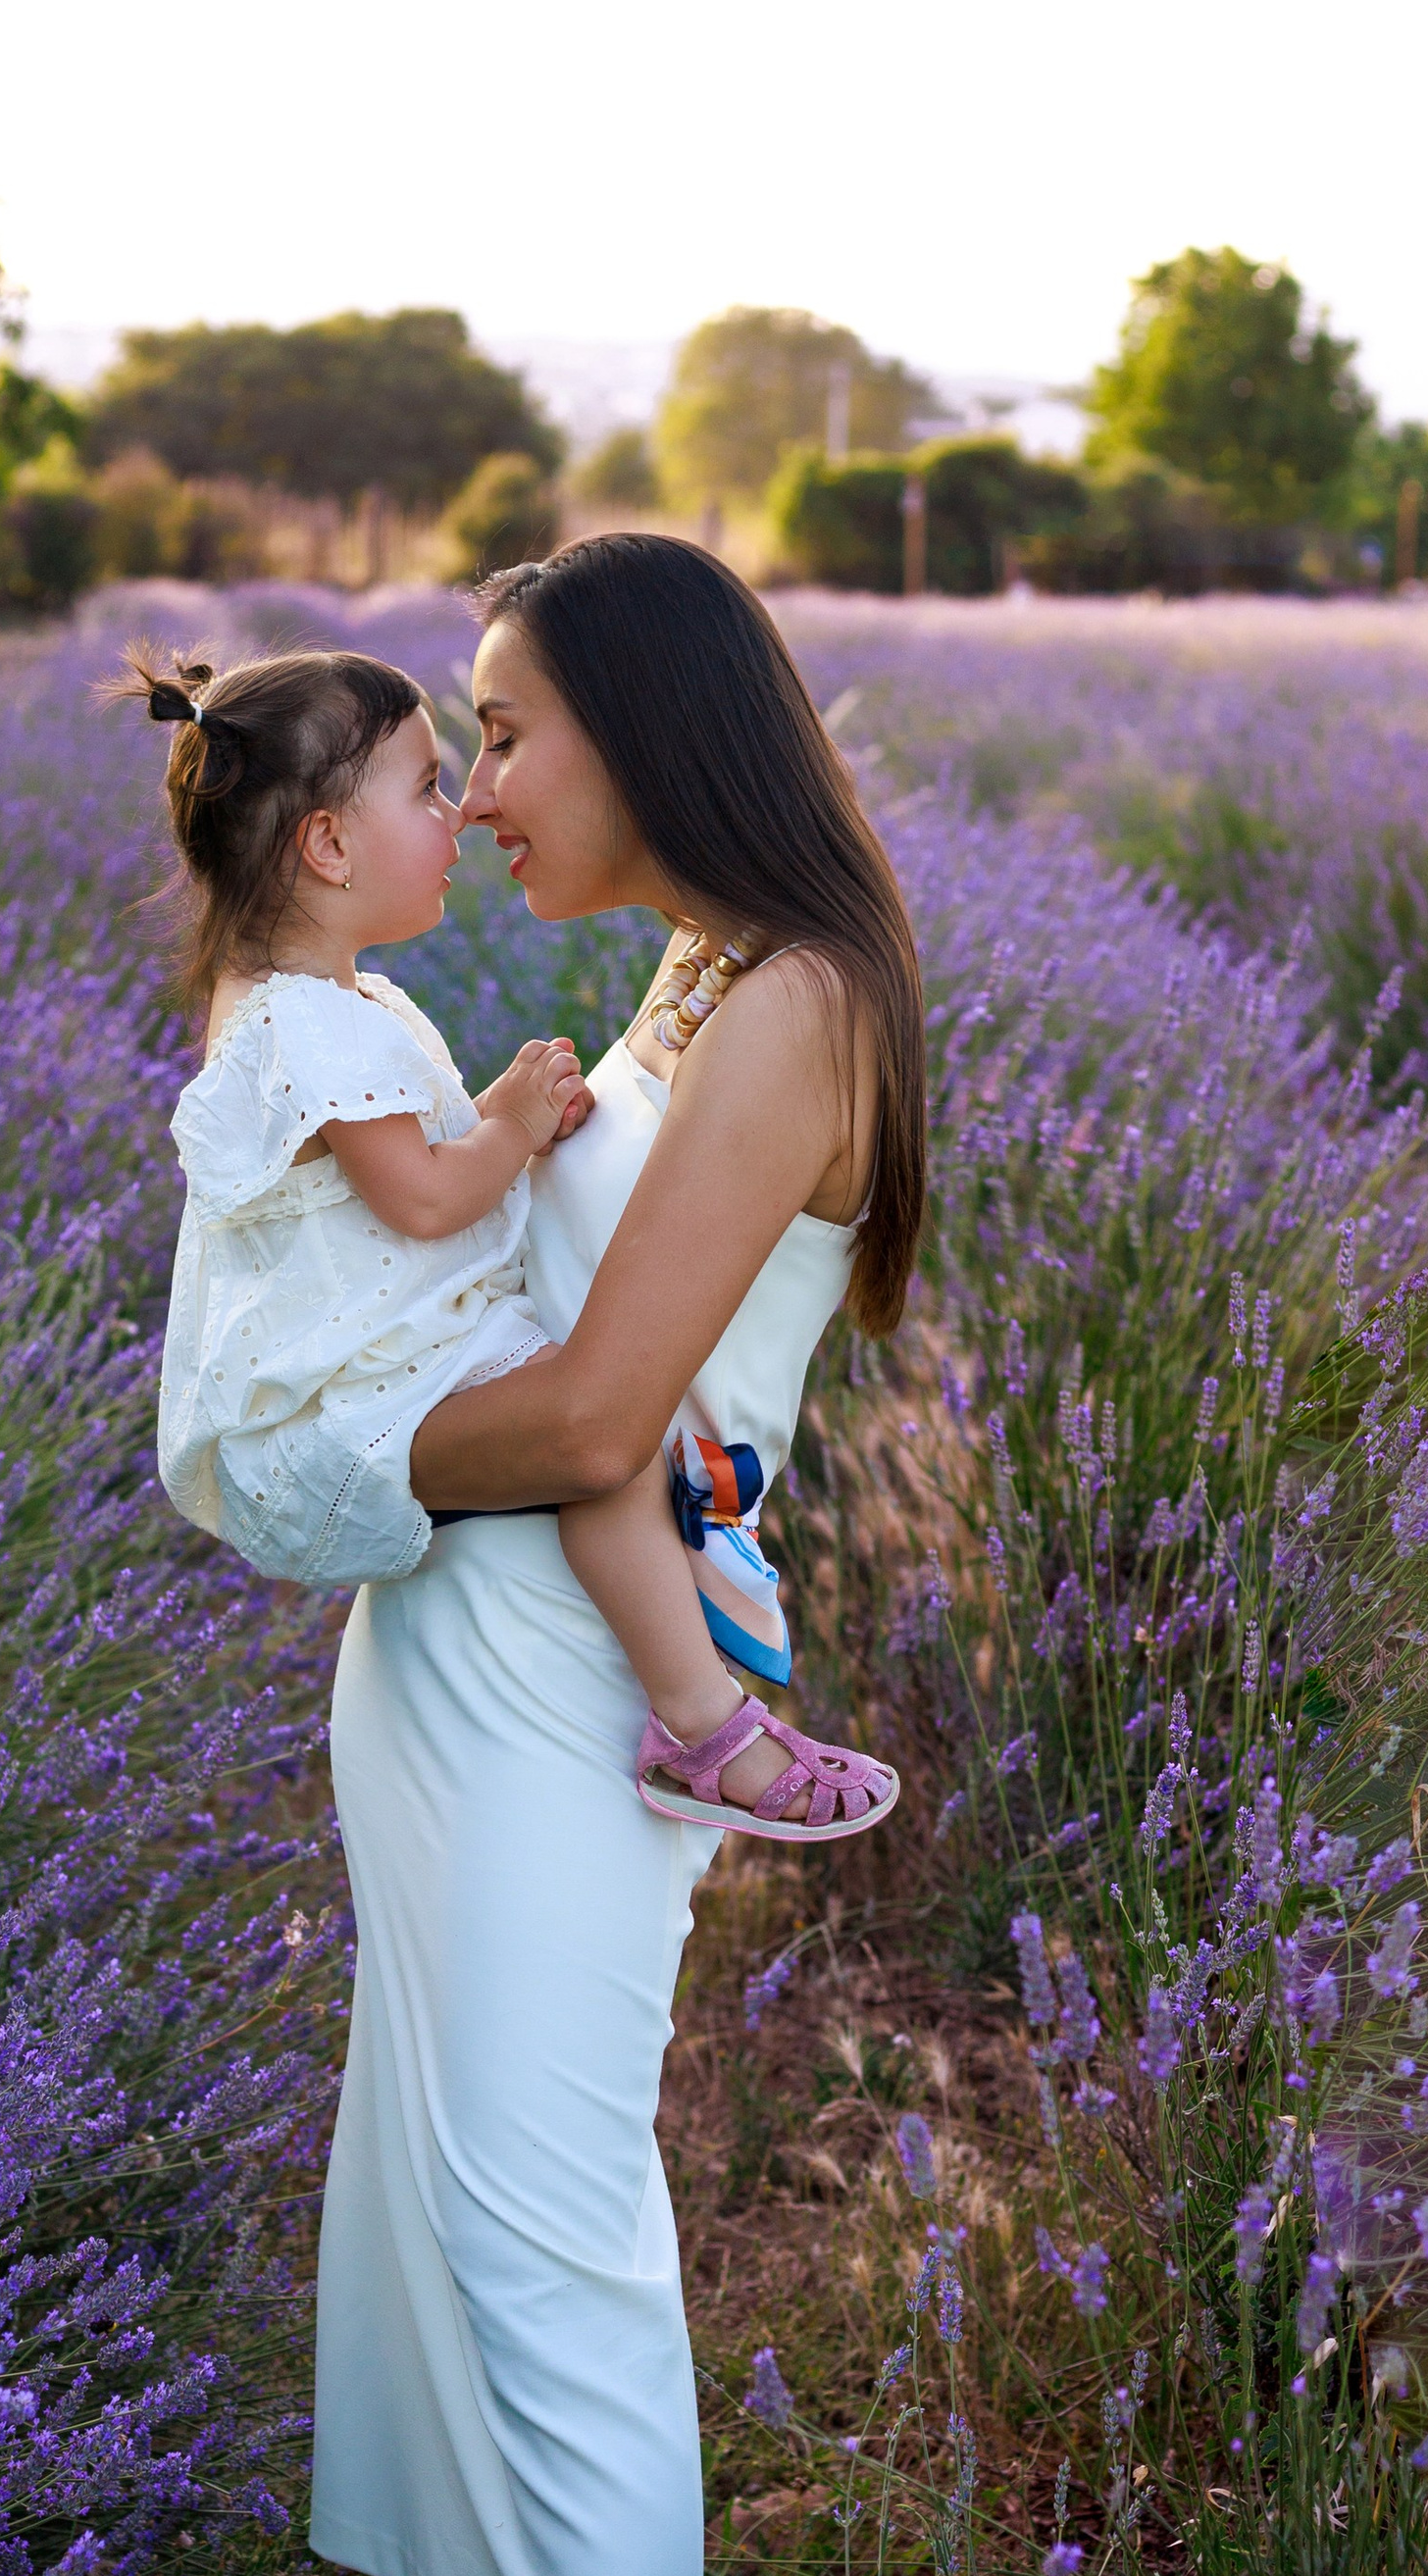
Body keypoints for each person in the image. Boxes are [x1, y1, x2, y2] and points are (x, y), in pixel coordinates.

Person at [308, 535, 929, 2576]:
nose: (470, 784)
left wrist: (284, 1472)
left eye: (502, 731)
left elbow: (594, 1435)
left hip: (580, 1702)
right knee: (469, 2215)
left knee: (556, 2248)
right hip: (476, 1687)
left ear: (656, 733)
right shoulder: (685, 981)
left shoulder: (795, 1006)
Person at [137, 642, 894, 1840]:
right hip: (384, 1381)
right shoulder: (312, 1027)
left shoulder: (330, 1007)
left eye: (489, 750)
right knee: (606, 1448)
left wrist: (509, 1130)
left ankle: (702, 1694)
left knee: (605, 1444)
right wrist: (512, 1126)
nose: (464, 810)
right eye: (429, 786)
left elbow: (403, 1181)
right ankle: (703, 1722)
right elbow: (427, 1203)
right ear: (328, 849)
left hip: (410, 1392)